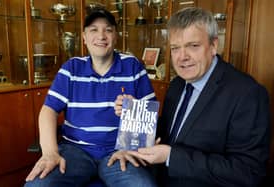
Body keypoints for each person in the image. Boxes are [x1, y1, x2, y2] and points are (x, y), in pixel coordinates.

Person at [114, 7, 271, 187]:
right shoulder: (176, 85)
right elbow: (167, 137)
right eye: (175, 48)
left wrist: (171, 157)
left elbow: (248, 172)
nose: (182, 57)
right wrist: (136, 118)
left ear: (214, 45)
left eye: (193, 46)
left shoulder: (247, 93)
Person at [24, 7, 157, 187]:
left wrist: (134, 117)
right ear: (84, 37)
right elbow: (49, 110)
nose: (101, 36)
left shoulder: (133, 67)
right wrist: (50, 153)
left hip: (119, 152)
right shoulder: (71, 69)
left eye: (108, 30)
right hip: (75, 152)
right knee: (37, 185)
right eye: (94, 30)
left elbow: (150, 116)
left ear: (116, 37)